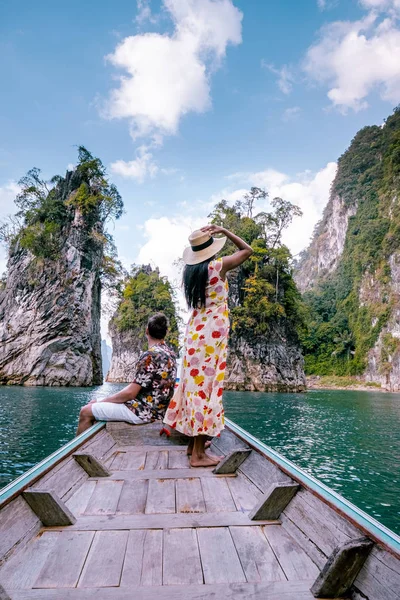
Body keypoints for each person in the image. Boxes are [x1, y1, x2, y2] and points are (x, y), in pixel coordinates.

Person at [163, 225, 253, 467]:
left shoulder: (190, 274)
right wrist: (225, 229)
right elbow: (247, 250)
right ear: (210, 250)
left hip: (195, 334)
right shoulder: (216, 267)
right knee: (207, 388)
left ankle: (194, 445)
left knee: (194, 387)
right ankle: (198, 456)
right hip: (212, 336)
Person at [76, 313, 177, 435]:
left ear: (147, 331)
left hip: (144, 411)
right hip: (160, 410)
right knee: (94, 404)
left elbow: (130, 393)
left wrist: (102, 401)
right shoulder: (170, 354)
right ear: (166, 333)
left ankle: (79, 454)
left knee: (85, 412)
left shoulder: (150, 356)